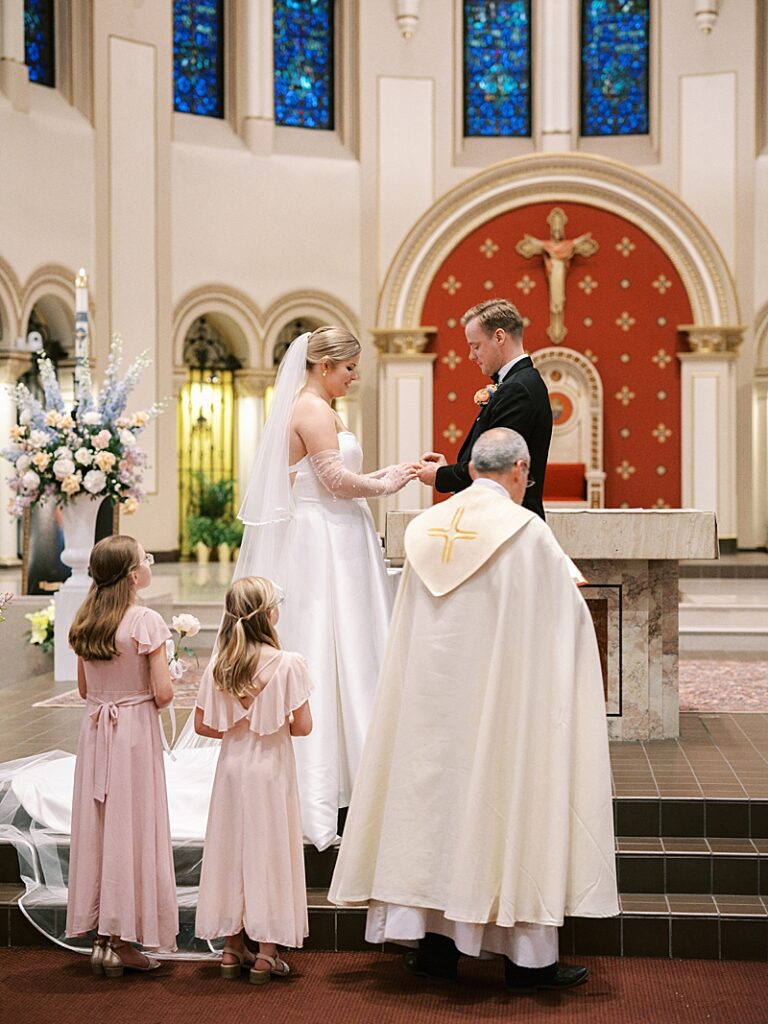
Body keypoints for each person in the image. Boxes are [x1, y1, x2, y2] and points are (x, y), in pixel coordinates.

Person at [329, 427, 618, 992]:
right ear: (520, 470)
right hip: (501, 704)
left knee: (434, 812)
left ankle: (434, 948)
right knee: (503, 808)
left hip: (431, 709)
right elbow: (563, 621)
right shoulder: (526, 531)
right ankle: (525, 961)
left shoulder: (425, 529)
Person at [217, 325, 420, 850]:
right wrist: (394, 482)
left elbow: (333, 475)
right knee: (332, 640)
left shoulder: (316, 407)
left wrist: (394, 470)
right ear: (324, 365)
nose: (354, 377)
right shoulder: (309, 408)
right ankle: (325, 781)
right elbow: (334, 480)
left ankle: (354, 773)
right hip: (323, 536)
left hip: (337, 530)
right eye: (350, 368)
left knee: (351, 641)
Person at [65, 535, 178, 977]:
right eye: (146, 559)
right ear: (135, 576)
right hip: (131, 733)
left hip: (95, 731)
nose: (149, 563)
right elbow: (163, 694)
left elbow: (84, 691)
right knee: (132, 828)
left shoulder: (85, 620)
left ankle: (100, 936)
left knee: (99, 827)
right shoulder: (146, 621)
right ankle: (121, 938)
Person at [194, 576, 313, 985]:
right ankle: (266, 954)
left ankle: (230, 948)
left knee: (232, 850)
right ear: (268, 614)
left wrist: (236, 725)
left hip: (231, 770)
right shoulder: (288, 663)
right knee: (269, 852)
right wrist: (270, 720)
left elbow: (203, 726)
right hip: (270, 769)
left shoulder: (220, 663)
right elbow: (303, 727)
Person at [418, 298, 552, 519]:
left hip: (507, 521)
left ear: (499, 337)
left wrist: (440, 475)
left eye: (475, 346)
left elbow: (493, 470)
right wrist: (449, 470)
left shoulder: (517, 389)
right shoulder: (519, 383)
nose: (471, 356)